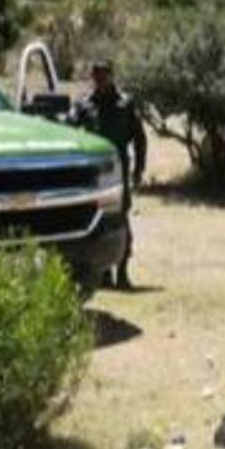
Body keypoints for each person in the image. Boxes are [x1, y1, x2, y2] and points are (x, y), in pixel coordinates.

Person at [70, 58, 148, 290]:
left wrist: (138, 169)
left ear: (111, 75)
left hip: (118, 169)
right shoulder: (84, 105)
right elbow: (69, 131)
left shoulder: (125, 104)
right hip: (94, 173)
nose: (100, 79)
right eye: (96, 75)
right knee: (98, 220)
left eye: (104, 74)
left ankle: (122, 273)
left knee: (120, 219)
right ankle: (103, 273)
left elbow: (140, 139)